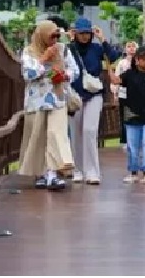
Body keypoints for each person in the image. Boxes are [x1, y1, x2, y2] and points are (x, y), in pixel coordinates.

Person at [18, 20, 78, 191]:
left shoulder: (63, 49)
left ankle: (53, 174)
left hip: (58, 98)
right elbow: (28, 74)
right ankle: (40, 173)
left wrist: (64, 75)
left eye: (58, 36)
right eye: (52, 36)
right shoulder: (29, 51)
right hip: (36, 101)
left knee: (56, 134)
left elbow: (75, 71)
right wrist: (44, 59)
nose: (55, 39)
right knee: (38, 137)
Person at [67, 17, 121, 185]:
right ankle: (77, 170)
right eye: (81, 33)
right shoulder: (69, 49)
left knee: (90, 131)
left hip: (94, 93)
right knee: (75, 132)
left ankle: (92, 172)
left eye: (87, 33)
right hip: (75, 95)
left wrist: (102, 38)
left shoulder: (96, 48)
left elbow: (113, 56)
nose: (85, 36)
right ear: (75, 33)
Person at [109, 45, 145, 185]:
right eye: (142, 59)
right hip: (131, 114)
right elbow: (116, 81)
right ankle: (133, 172)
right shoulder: (129, 74)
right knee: (132, 145)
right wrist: (109, 66)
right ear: (136, 60)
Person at [113, 41, 137, 148]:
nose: (131, 49)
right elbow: (117, 77)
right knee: (124, 117)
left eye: (133, 46)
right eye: (129, 47)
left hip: (136, 94)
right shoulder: (121, 63)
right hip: (123, 94)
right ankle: (124, 140)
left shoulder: (138, 62)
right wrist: (115, 93)